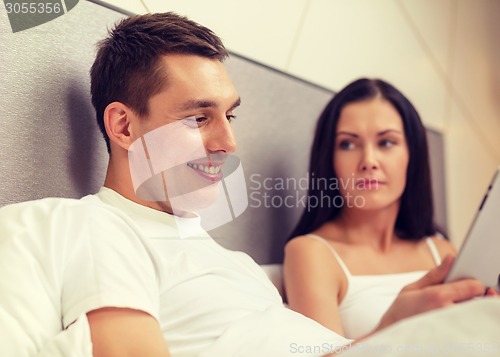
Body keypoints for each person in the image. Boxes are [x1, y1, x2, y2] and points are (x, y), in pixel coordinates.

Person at [0, 13, 492, 357]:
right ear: (125, 127)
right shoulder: (96, 227)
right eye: (198, 118)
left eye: (229, 115)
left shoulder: (234, 264)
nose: (228, 143)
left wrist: (396, 328)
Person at [283, 78, 456, 339]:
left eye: (386, 142)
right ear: (329, 160)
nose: (369, 161)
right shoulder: (311, 253)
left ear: (412, 154)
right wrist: (392, 322)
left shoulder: (441, 250)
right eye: (348, 144)